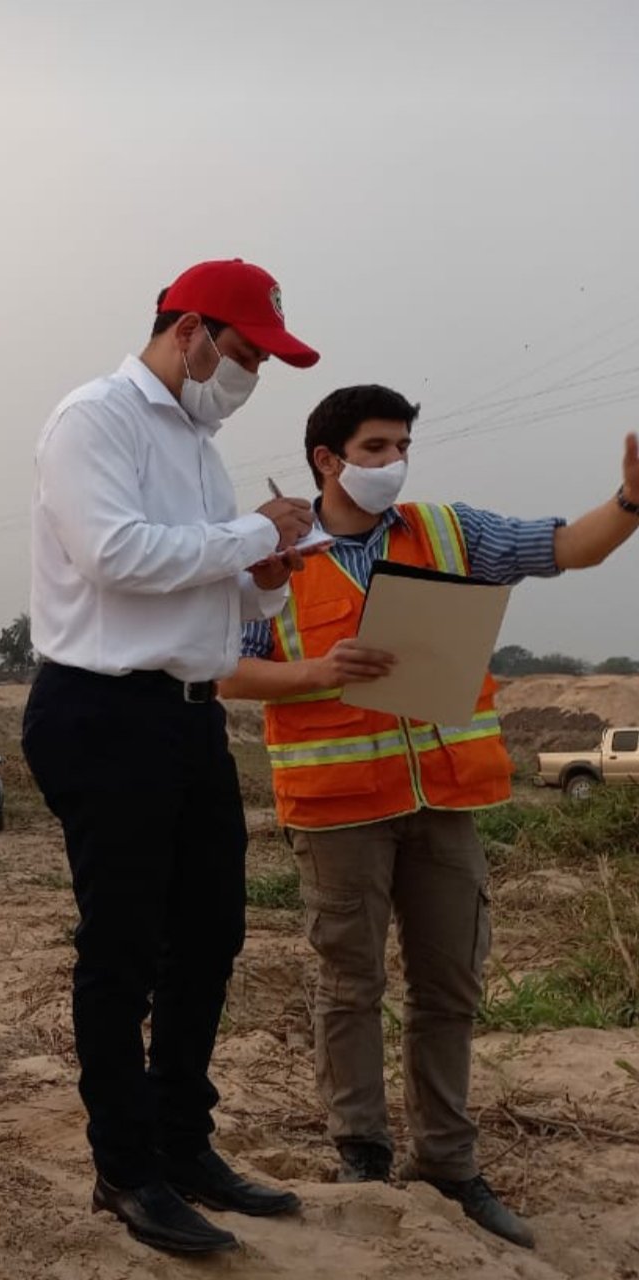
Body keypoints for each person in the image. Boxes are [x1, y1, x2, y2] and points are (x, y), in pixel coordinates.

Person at [219, 383, 639, 1250]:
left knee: (448, 987)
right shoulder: (273, 554)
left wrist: (630, 503)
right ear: (327, 459)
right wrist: (318, 672)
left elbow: (566, 546)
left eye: (402, 446)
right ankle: (362, 1156)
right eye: (375, 447)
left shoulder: (449, 533)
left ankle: (448, 1162)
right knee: (350, 985)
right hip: (338, 810)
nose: (394, 463)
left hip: (444, 801)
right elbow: (223, 668)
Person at [22, 259, 320, 1255]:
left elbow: (216, 586)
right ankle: (126, 1166)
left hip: (190, 713)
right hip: (102, 708)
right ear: (188, 331)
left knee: (209, 935)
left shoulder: (199, 445)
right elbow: (116, 555)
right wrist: (246, 533)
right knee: (124, 946)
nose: (249, 378)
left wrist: (266, 570)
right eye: (244, 354)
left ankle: (184, 1140)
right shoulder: (94, 420)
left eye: (263, 365)